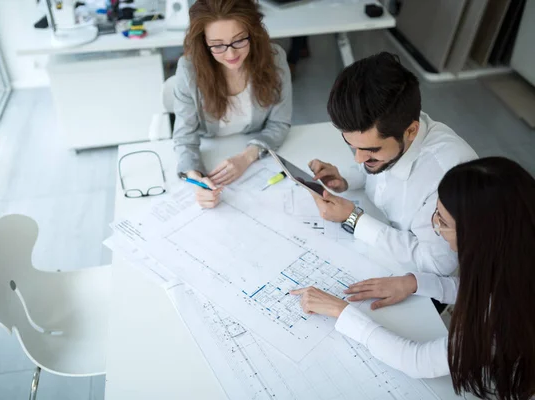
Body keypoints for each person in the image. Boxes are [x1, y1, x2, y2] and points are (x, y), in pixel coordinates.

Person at [292, 157, 535, 400]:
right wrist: (416, 283)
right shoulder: (517, 256)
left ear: (478, 237)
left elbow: (418, 361)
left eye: (443, 222)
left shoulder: (503, 318)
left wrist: (341, 311)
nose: (435, 227)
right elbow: (491, 290)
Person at [309, 52, 477, 276]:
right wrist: (346, 180)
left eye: (371, 150)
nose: (358, 158)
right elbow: (373, 172)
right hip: (381, 244)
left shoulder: (448, 174)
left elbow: (437, 264)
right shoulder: (395, 125)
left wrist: (354, 219)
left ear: (411, 131)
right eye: (352, 145)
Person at [173, 0, 292, 208]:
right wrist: (196, 180)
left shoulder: (275, 58)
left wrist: (246, 157)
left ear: (253, 33)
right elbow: (184, 139)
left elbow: (279, 124)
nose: (231, 54)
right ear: (203, 42)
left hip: (256, 152)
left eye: (239, 41)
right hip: (211, 147)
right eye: (218, 45)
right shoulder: (188, 70)